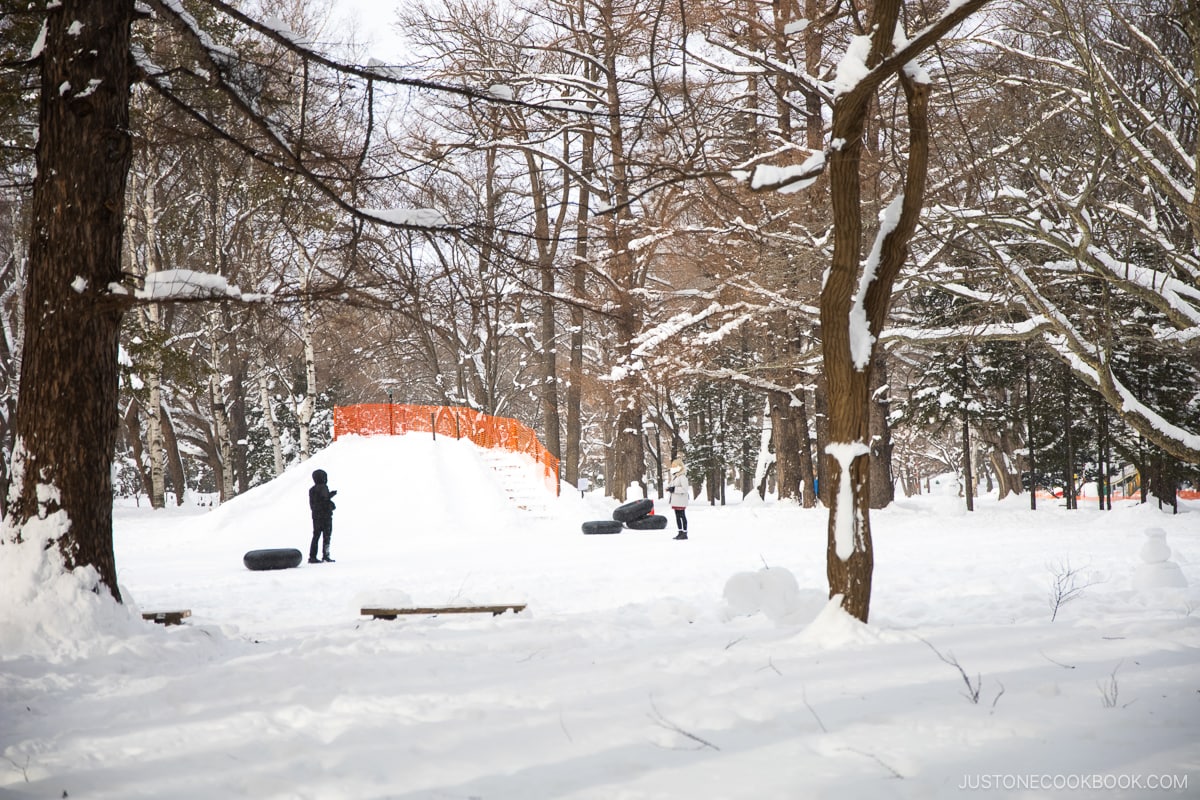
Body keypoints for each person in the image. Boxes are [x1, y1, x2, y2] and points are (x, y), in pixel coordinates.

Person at [308, 468, 337, 563]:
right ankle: (326, 555)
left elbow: (316, 502)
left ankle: (312, 556)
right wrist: (331, 499)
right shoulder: (323, 487)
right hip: (325, 516)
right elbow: (324, 499)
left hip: (316, 516)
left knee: (316, 536)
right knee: (326, 536)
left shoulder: (312, 490)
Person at [666, 458, 689, 540]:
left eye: (675, 466)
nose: (673, 468)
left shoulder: (682, 477)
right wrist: (669, 488)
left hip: (681, 500)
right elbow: (673, 485)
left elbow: (685, 489)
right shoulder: (675, 476)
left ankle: (685, 533)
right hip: (675, 500)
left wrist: (674, 489)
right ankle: (680, 532)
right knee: (677, 516)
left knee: (682, 515)